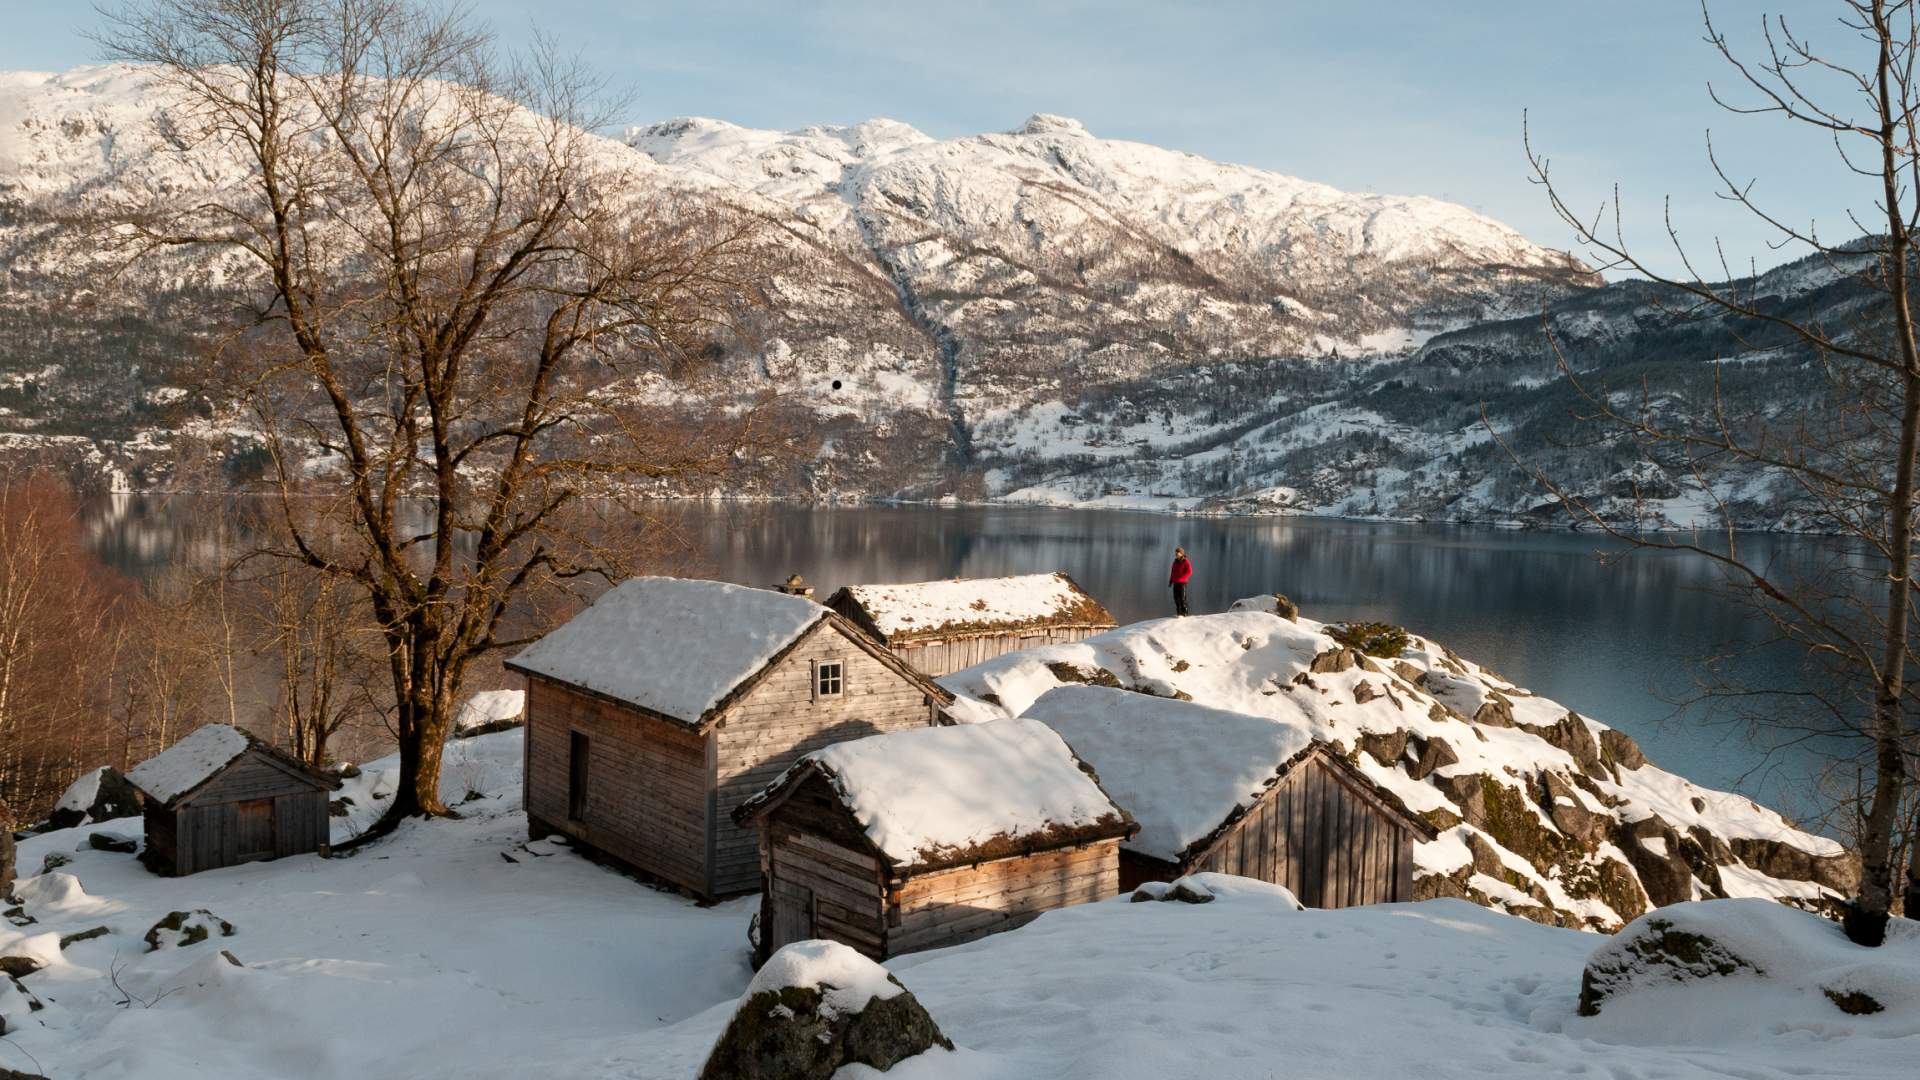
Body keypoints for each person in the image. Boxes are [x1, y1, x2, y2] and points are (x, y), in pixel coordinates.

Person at [1168, 547, 1192, 616]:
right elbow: (1173, 572)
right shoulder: (1175, 562)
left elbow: (1189, 572)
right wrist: (1170, 581)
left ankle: (1184, 613)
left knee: (1182, 599)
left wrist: (1182, 578)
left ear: (1181, 553)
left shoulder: (1185, 561)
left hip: (1182, 583)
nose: (1176, 554)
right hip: (1175, 583)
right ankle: (1179, 613)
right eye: (1176, 553)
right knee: (1176, 599)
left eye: (1177, 553)